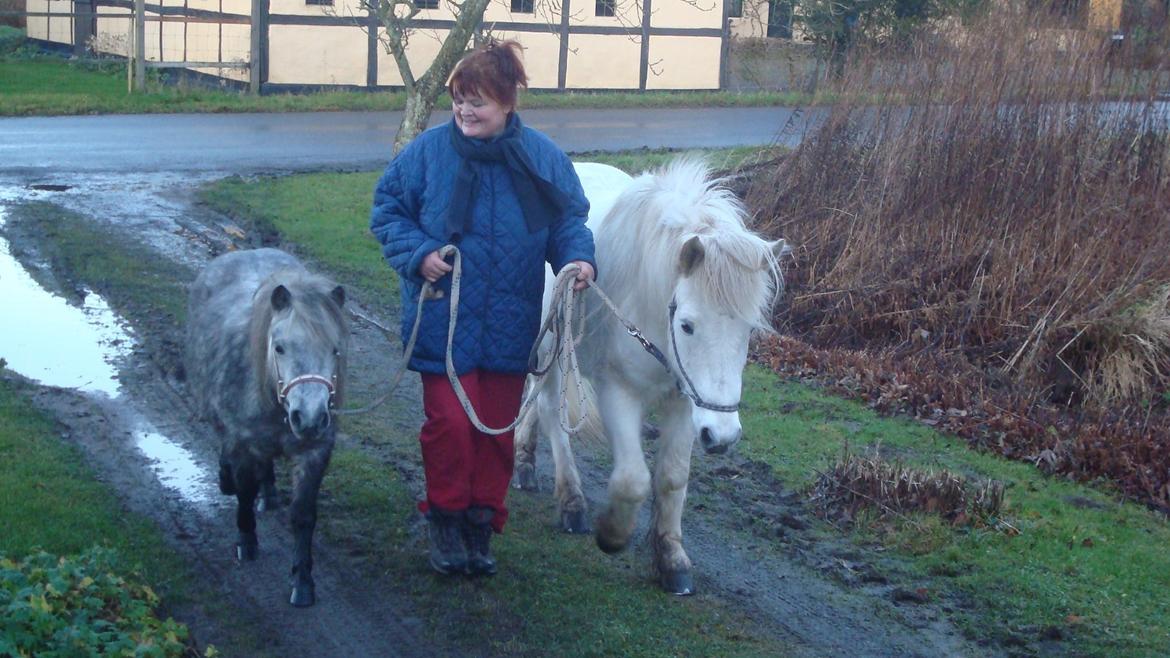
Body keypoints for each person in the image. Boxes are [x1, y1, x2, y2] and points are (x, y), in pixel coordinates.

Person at [369, 39, 596, 577]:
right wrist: (419, 254)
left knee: (496, 431)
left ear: (509, 103)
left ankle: (480, 526)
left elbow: (567, 222)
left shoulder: (542, 158)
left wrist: (578, 262)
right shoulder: (426, 154)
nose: (465, 112)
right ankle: (445, 521)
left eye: (478, 102)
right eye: (459, 100)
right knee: (449, 423)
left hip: (510, 321)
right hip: (442, 320)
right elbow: (387, 211)